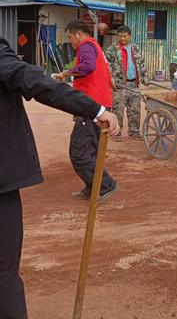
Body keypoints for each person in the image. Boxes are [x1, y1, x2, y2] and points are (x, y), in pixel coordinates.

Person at [0, 35, 119, 319]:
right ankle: (102, 184)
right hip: (4, 179)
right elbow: (34, 81)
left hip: (92, 102)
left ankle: (103, 184)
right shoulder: (89, 49)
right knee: (4, 274)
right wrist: (94, 109)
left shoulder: (89, 48)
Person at [52, 20, 119, 201]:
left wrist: (66, 73)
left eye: (70, 37)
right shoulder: (96, 47)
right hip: (100, 104)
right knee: (91, 150)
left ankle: (105, 185)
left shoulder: (86, 46)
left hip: (91, 107)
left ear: (78, 34)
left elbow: (88, 67)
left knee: (80, 153)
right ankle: (93, 186)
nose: (71, 42)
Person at [106, 25, 148, 141]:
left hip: (134, 84)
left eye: (125, 36)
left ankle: (134, 132)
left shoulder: (136, 48)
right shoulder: (112, 49)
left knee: (135, 110)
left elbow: (142, 64)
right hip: (120, 85)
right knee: (118, 110)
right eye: (120, 36)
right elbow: (107, 65)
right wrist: (111, 80)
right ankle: (116, 133)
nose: (122, 39)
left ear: (129, 36)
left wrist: (145, 77)